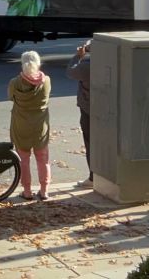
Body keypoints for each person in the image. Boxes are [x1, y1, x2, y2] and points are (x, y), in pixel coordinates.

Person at [9, 51, 52, 201]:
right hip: (40, 126)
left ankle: (27, 191)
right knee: (43, 158)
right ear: (39, 63)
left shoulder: (15, 82)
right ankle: (44, 190)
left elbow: (10, 97)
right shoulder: (46, 81)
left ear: (22, 64)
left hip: (21, 125)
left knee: (24, 159)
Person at [66, 40, 93, 188]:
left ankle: (93, 177)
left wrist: (78, 56)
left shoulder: (86, 66)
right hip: (107, 110)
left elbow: (70, 71)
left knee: (90, 143)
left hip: (88, 109)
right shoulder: (113, 64)